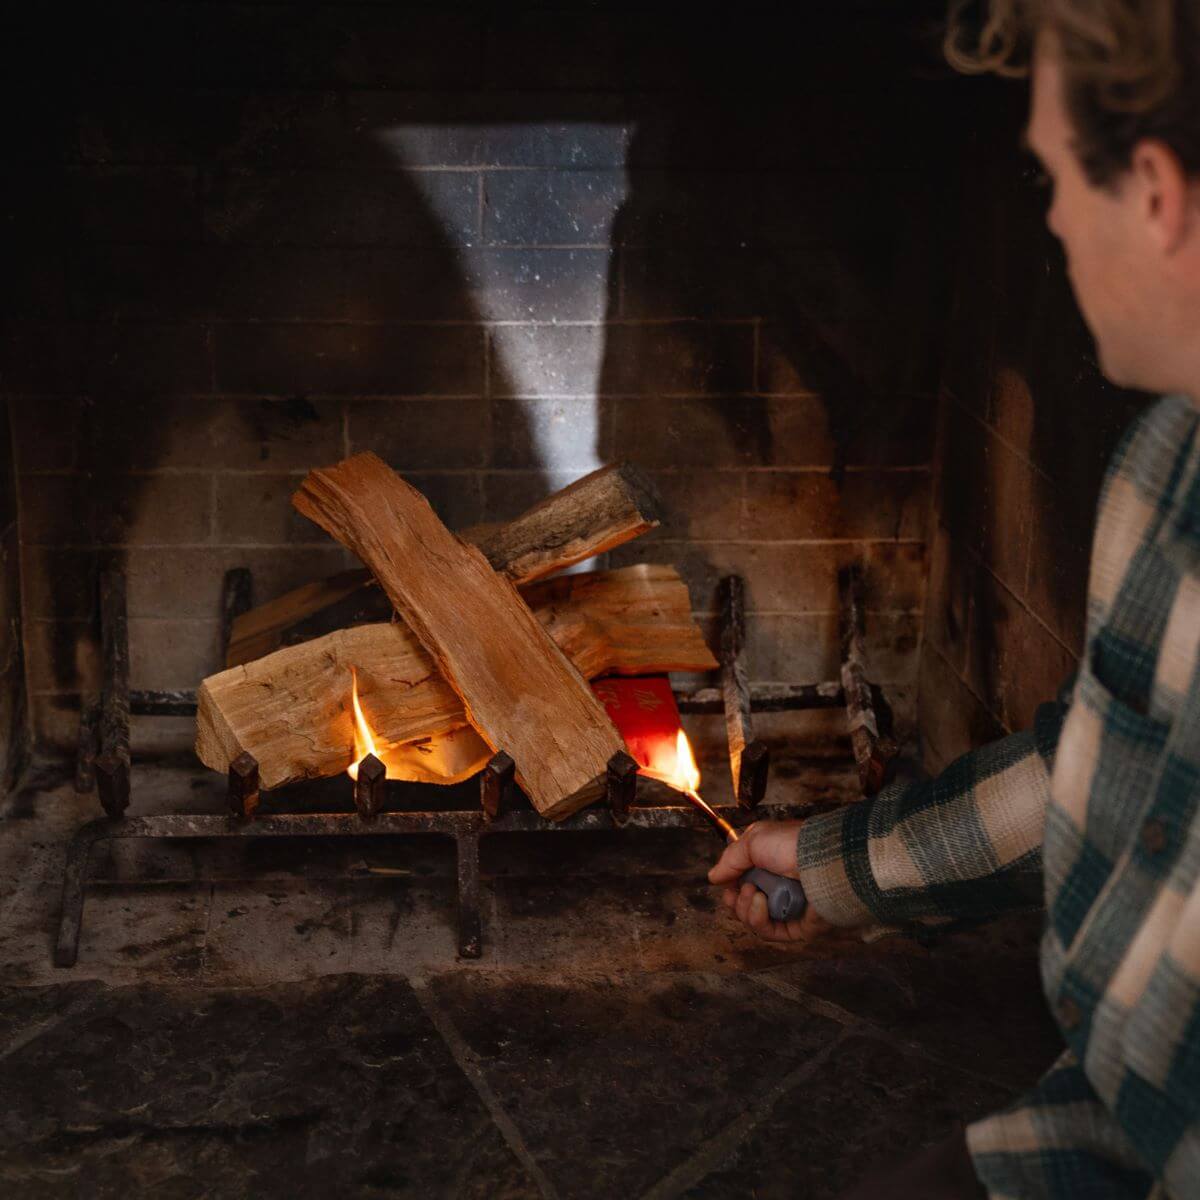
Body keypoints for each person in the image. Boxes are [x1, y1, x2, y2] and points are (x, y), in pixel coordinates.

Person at [709, 2, 1200, 1196]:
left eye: (1054, 178)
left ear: (1154, 194)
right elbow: (1097, 760)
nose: (1051, 220)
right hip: (1111, 1125)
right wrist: (838, 865)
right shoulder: (1169, 468)